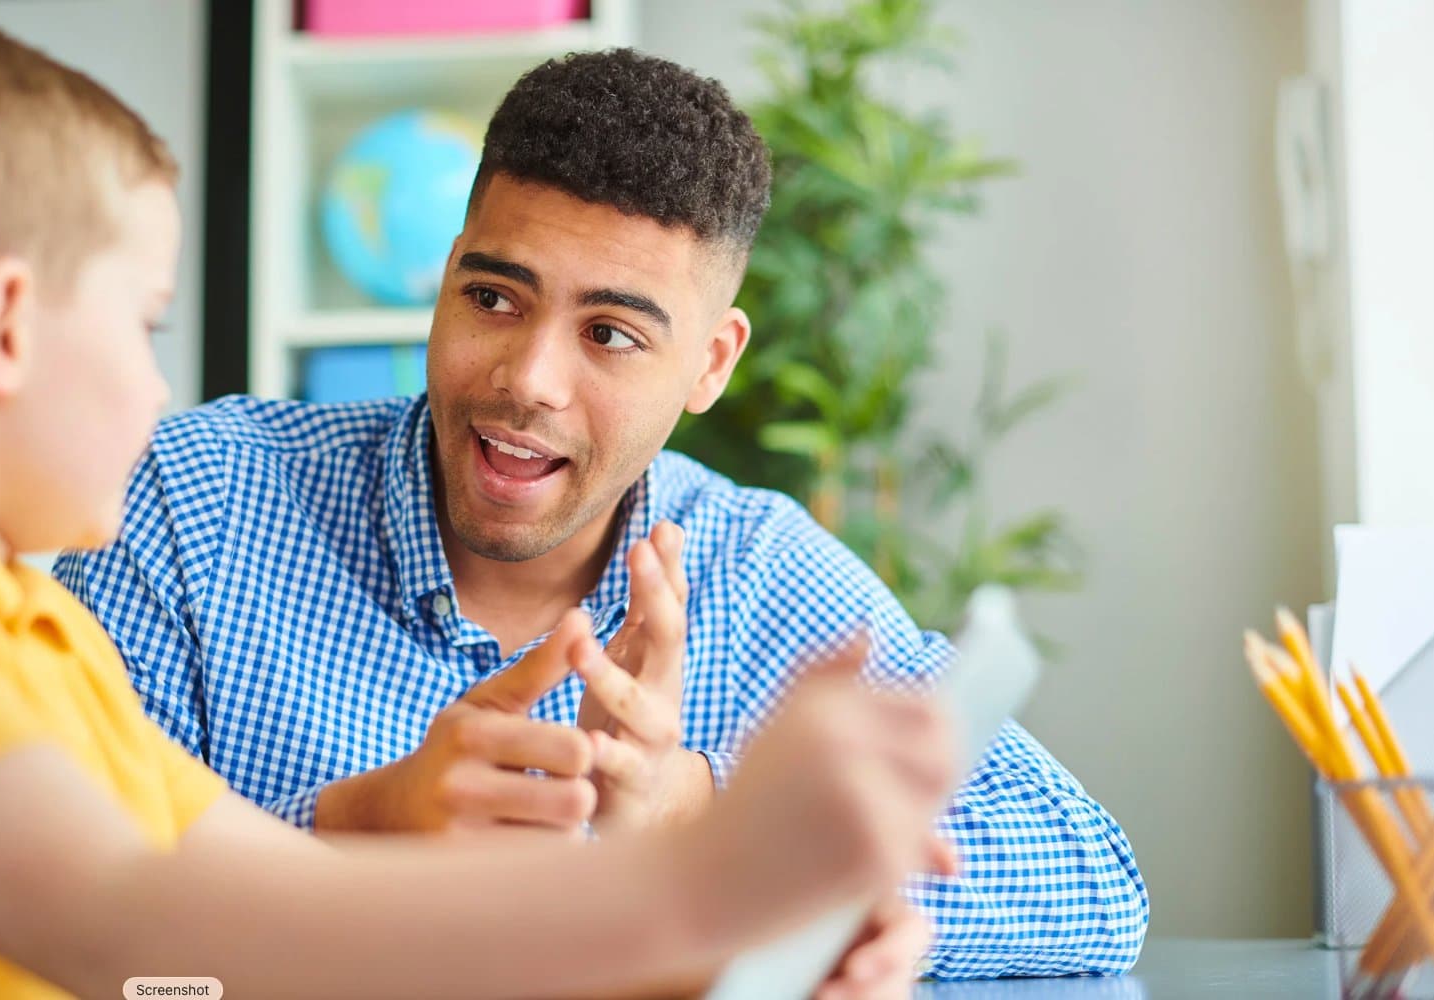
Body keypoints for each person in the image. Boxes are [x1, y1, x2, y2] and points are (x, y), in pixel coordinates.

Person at [0, 15, 959, 998]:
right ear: (3, 326)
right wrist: (697, 888)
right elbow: (137, 933)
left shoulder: (2, 622)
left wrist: (720, 945)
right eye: (144, 322)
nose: (159, 386)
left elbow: (265, 919)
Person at [58, 47, 1150, 980]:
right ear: (444, 279)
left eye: (611, 335)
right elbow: (62, 934)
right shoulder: (193, 501)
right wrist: (352, 827)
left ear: (710, 363)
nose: (528, 380)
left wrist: (703, 824)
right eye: (494, 297)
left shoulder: (759, 569)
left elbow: (1094, 878)